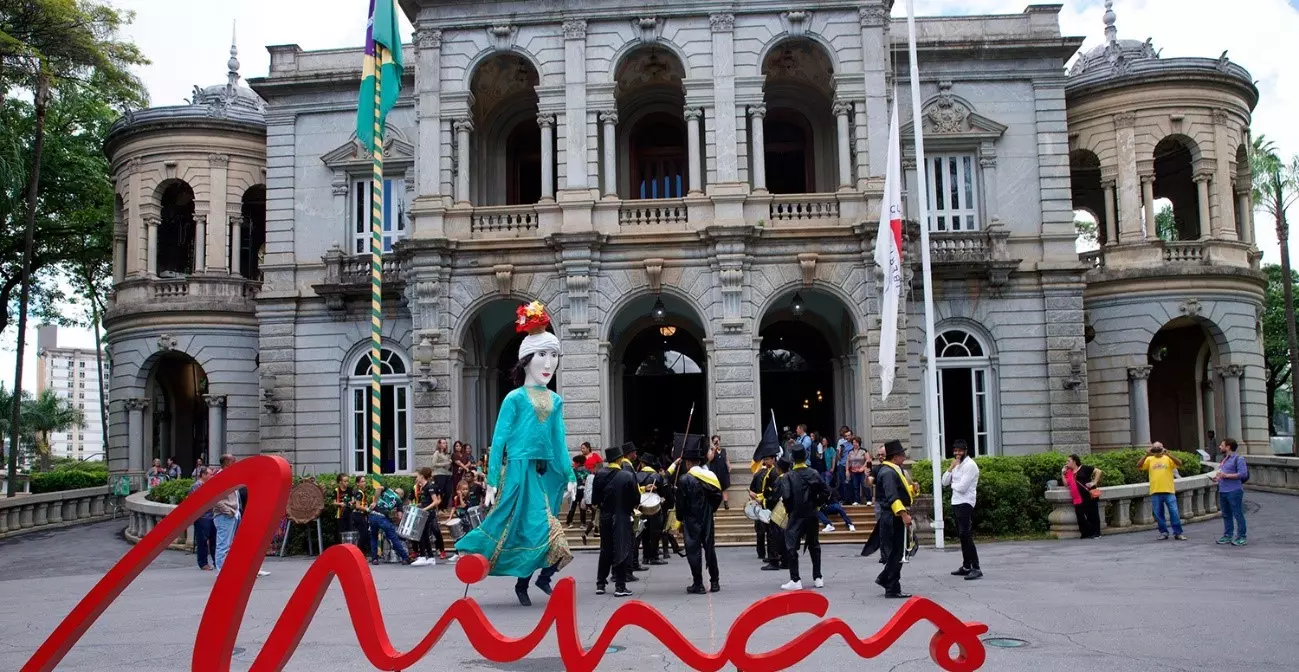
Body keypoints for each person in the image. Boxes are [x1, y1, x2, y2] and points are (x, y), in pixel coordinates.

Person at [454, 301, 578, 607]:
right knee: (528, 531)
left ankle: (538, 579)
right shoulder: (515, 398)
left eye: (554, 356)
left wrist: (571, 475)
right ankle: (520, 578)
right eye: (542, 355)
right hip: (519, 473)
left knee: (546, 536)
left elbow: (559, 442)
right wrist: (493, 480)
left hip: (544, 474)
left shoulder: (556, 400)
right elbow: (499, 441)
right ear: (526, 359)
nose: (548, 363)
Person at [673, 438, 723, 594]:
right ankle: (715, 582)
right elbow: (718, 496)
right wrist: (710, 509)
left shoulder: (684, 479)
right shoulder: (710, 476)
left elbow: (680, 504)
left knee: (693, 550)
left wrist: (679, 520)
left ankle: (698, 583)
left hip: (691, 518)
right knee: (710, 549)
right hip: (707, 516)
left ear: (688, 463)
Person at [775, 446, 829, 590]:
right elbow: (826, 491)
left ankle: (795, 579)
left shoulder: (788, 476)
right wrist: (817, 504)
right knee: (814, 544)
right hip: (811, 513)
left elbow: (786, 497)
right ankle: (818, 577)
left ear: (793, 459)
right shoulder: (814, 473)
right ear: (805, 458)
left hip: (796, 514)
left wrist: (789, 510)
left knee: (791, 545)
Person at [867, 440, 915, 598]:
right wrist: (903, 514)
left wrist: (911, 490)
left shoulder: (893, 470)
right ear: (895, 457)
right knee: (897, 552)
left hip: (893, 516)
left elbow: (898, 492)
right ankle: (891, 585)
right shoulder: (888, 472)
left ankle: (887, 580)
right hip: (892, 516)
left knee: (898, 551)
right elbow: (892, 496)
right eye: (902, 455)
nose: (904, 457)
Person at [592, 443, 639, 596]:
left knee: (605, 549)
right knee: (622, 548)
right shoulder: (627, 475)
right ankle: (620, 586)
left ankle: (600, 583)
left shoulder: (599, 474)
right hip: (622, 515)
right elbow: (635, 499)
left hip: (605, 516)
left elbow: (595, 500)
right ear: (620, 460)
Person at [942, 439, 982, 580]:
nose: (957, 454)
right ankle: (966, 566)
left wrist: (954, 484)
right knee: (962, 535)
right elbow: (944, 482)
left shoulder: (970, 465)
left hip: (966, 503)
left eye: (960, 451)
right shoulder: (956, 465)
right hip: (956, 502)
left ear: (966, 451)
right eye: (955, 451)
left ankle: (976, 567)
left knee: (966, 534)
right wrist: (950, 469)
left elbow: (962, 487)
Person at [1138, 442, 1186, 540]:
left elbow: (1179, 463)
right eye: (1154, 448)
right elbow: (1139, 466)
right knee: (1158, 514)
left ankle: (1178, 532)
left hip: (1169, 490)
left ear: (1162, 448)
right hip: (1155, 491)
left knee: (1174, 512)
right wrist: (1146, 454)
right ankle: (1164, 532)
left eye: (1158, 448)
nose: (1157, 450)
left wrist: (1168, 454)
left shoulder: (1168, 458)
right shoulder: (1149, 459)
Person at [1213, 438, 1249, 546]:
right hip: (1223, 490)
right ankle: (1228, 535)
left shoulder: (1238, 459)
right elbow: (1222, 473)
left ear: (1228, 447)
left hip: (1234, 491)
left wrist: (1226, 476)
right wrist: (1217, 478)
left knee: (1238, 514)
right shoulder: (1225, 459)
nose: (1220, 447)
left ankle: (1242, 537)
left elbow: (1243, 474)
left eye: (1222, 445)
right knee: (1226, 515)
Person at [367, 480, 412, 565]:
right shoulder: (399, 501)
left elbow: (378, 488)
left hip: (373, 515)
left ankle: (374, 559)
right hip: (383, 518)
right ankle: (405, 558)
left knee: (373, 537)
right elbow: (399, 517)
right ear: (401, 495)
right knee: (394, 538)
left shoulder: (388, 490)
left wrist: (374, 502)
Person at [411, 467, 446, 566]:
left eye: (417, 476)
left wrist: (424, 509)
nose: (416, 478)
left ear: (422, 476)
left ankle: (422, 556)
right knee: (425, 534)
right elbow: (427, 501)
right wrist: (419, 506)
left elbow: (435, 501)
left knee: (421, 534)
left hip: (428, 513)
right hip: (426, 512)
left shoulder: (429, 486)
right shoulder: (423, 487)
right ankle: (430, 557)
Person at [1062, 455, 1102, 539]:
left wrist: (1094, 482)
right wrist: (1062, 473)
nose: (1067, 463)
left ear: (1074, 461)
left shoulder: (1084, 468)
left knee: (1093, 514)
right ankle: (1086, 533)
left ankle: (1097, 533)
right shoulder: (1069, 472)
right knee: (1080, 517)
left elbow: (1098, 471)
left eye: (1068, 461)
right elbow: (1066, 483)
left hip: (1088, 495)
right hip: (1077, 498)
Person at [762, 458, 791, 571]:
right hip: (787, 512)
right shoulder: (791, 478)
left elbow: (773, 497)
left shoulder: (779, 480)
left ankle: (774, 561)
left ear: (779, 469)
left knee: (774, 536)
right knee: (784, 537)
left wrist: (766, 500)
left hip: (777, 512)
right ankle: (785, 561)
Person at [637, 454, 667, 565]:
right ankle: (654, 556)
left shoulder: (637, 475)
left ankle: (645, 556)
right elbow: (664, 494)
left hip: (642, 507)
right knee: (655, 533)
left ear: (643, 464)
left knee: (644, 532)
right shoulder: (657, 476)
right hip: (655, 508)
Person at [189, 467, 216, 570]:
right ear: (203, 475)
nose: (212, 476)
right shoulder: (196, 486)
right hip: (202, 517)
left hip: (211, 515)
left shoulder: (210, 485)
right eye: (209, 474)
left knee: (213, 540)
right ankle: (203, 563)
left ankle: (216, 561)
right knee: (202, 541)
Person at [566, 454, 591, 528]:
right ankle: (583, 523)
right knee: (582, 507)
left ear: (578, 463)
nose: (573, 464)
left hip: (575, 491)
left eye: (574, 462)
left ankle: (570, 522)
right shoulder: (588, 471)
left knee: (572, 506)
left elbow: (571, 481)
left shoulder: (573, 471)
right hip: (584, 491)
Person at [708, 435, 732, 510]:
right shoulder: (711, 450)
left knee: (724, 488)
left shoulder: (724, 450)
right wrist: (714, 450)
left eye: (717, 441)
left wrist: (729, 466)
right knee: (714, 488)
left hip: (723, 471)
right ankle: (714, 504)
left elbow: (726, 459)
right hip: (715, 472)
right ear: (712, 442)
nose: (717, 442)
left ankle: (726, 503)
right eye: (715, 441)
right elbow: (710, 459)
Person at [350, 475, 372, 555]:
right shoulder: (359, 493)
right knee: (363, 535)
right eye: (362, 481)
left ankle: (361, 552)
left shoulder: (362, 492)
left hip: (361, 515)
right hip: (358, 515)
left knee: (364, 534)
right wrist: (367, 509)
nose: (364, 483)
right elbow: (358, 506)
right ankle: (358, 553)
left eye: (365, 481)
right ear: (357, 484)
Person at [431, 439, 454, 509]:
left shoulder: (446, 454)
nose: (445, 445)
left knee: (448, 491)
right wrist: (445, 463)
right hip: (439, 474)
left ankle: (444, 507)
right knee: (440, 491)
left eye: (446, 443)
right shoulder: (437, 453)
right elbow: (433, 464)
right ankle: (440, 508)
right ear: (439, 444)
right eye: (443, 443)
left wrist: (450, 463)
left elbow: (448, 465)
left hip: (447, 474)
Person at [847, 438, 870, 504]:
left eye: (856, 442)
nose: (854, 444)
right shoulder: (850, 451)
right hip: (854, 471)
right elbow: (848, 462)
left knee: (864, 485)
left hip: (863, 471)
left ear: (859, 443)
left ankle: (869, 500)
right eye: (853, 442)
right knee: (855, 486)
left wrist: (863, 468)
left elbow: (868, 460)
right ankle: (857, 501)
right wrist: (847, 470)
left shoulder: (863, 450)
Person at [333, 474, 355, 539]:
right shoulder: (336, 490)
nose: (347, 483)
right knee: (340, 531)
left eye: (347, 481)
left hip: (349, 512)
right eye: (345, 481)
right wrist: (340, 504)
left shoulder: (350, 489)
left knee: (350, 529)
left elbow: (353, 500)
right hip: (340, 514)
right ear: (340, 482)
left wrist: (350, 502)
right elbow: (334, 503)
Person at [836, 427, 854, 502]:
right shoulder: (842, 444)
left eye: (848, 435)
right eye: (846, 436)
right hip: (842, 465)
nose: (847, 437)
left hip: (852, 466)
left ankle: (852, 499)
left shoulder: (854, 443)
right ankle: (844, 499)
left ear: (852, 435)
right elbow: (838, 453)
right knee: (843, 482)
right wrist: (842, 461)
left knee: (851, 482)